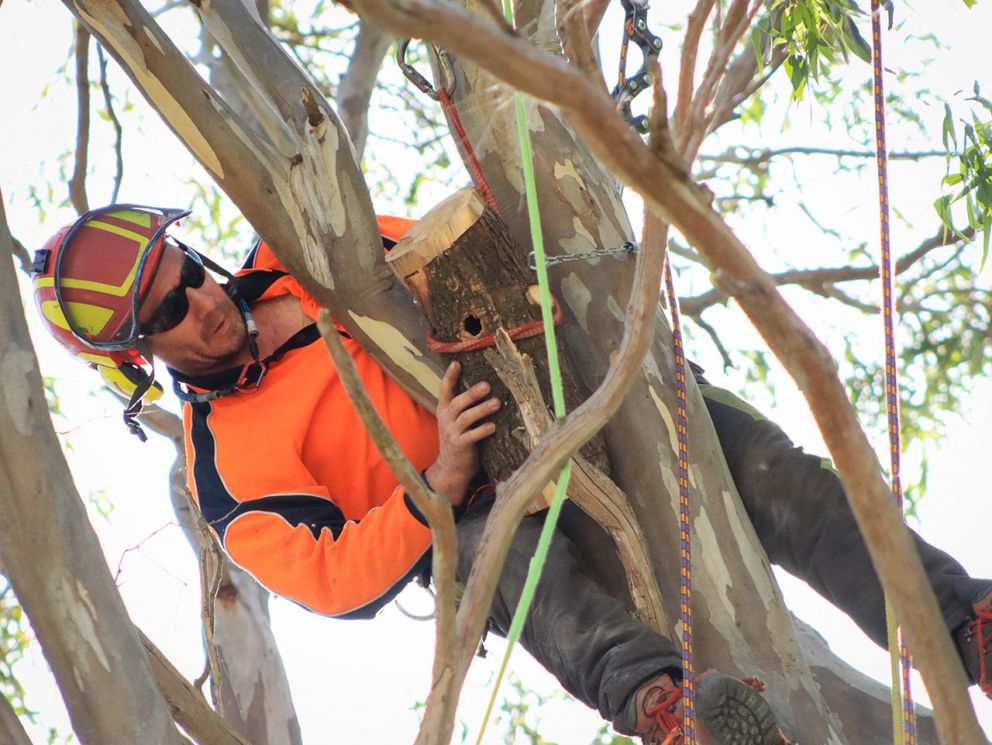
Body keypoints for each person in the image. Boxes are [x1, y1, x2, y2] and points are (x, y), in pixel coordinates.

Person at [31, 204, 992, 745]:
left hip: (568, 387)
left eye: (187, 272)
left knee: (784, 481)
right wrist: (436, 483)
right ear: (138, 353)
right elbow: (332, 577)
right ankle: (676, 716)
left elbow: (468, 247)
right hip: (479, 506)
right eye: (167, 312)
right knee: (538, 588)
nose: (200, 302)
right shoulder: (221, 467)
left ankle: (964, 628)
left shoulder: (297, 250)